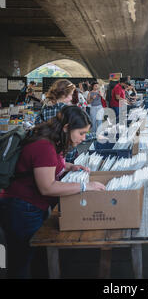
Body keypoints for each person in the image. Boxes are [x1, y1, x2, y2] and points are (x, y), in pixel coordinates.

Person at [0, 106, 106, 278]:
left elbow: (51, 164)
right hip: (20, 208)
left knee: (37, 258)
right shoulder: (44, 146)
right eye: (81, 133)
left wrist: (71, 166)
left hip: (29, 206)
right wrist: (85, 186)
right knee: (21, 261)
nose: (83, 138)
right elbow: (47, 187)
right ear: (66, 128)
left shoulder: (51, 139)